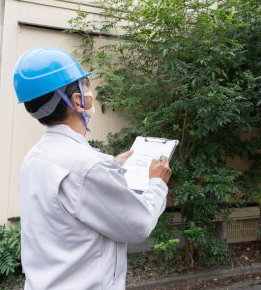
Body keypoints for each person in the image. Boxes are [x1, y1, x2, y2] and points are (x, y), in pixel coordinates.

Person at [13, 46, 172, 290]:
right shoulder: (87, 167)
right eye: (84, 83)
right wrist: (157, 183)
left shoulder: (34, 157)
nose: (89, 90)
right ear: (77, 101)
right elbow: (139, 225)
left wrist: (110, 167)